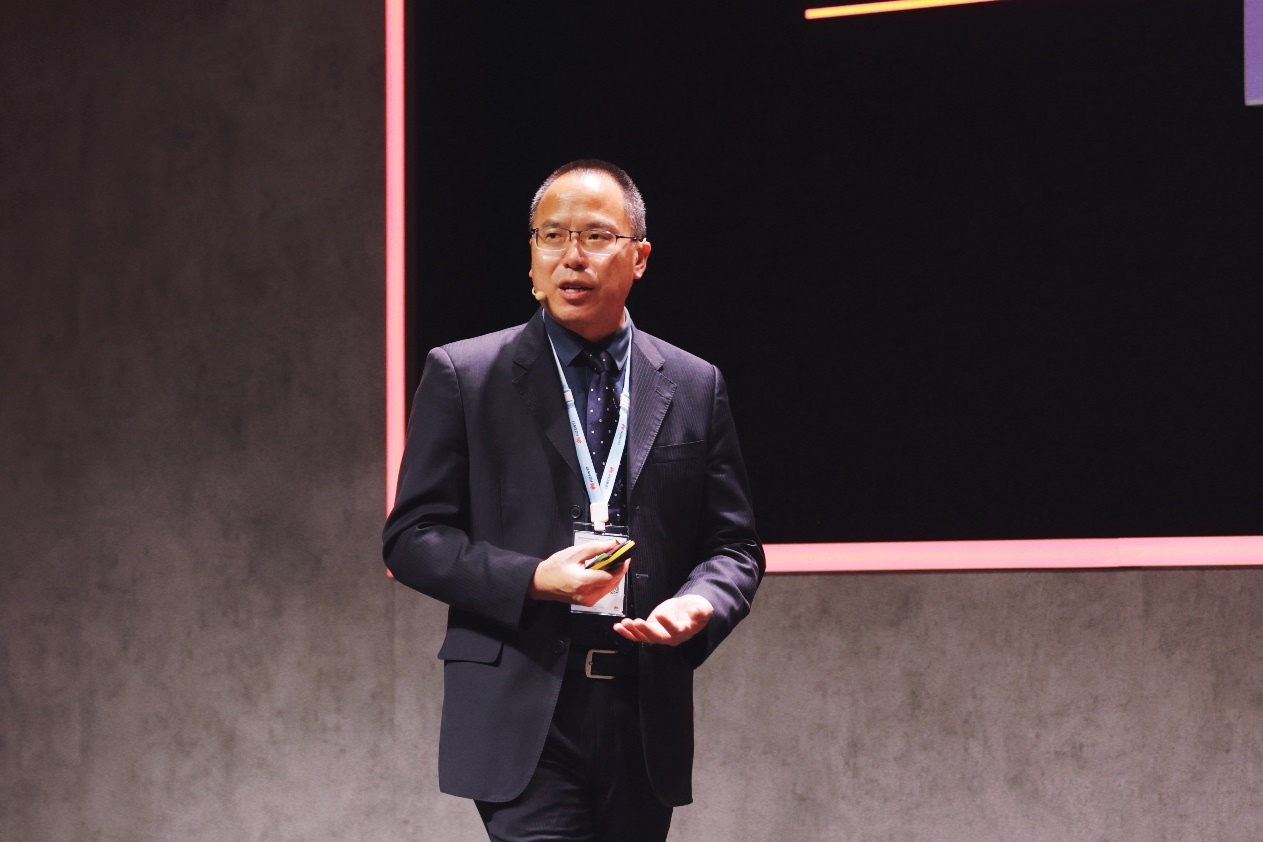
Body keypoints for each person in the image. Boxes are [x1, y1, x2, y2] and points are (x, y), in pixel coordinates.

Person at [383, 159, 763, 842]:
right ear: (531, 258)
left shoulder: (693, 384)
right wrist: (533, 578)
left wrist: (700, 603)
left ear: (639, 257)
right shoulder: (465, 375)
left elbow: (733, 546)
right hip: (523, 705)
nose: (572, 256)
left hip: (640, 708)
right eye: (552, 236)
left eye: (595, 236)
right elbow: (412, 537)